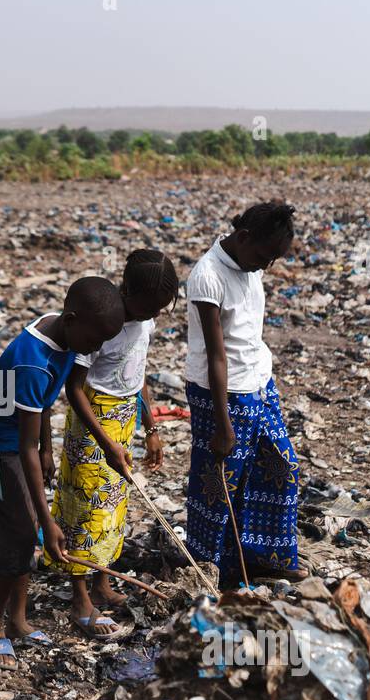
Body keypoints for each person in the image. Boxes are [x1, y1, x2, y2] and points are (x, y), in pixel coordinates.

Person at [0, 276, 125, 668]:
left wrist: (49, 447)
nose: (97, 349)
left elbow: (44, 406)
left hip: (21, 439)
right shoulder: (32, 363)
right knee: (20, 535)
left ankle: (18, 621)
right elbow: (22, 447)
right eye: (96, 339)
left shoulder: (62, 330)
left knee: (24, 535)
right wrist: (46, 518)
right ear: (73, 319)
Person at [44, 250, 178, 626]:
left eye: (160, 308)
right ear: (127, 289)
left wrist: (150, 428)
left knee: (113, 508)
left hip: (124, 420)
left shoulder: (144, 324)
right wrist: (105, 442)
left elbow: (139, 377)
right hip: (93, 423)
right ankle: (80, 596)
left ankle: (102, 582)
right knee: (85, 509)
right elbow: (74, 388)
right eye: (148, 305)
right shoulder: (102, 324)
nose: (152, 314)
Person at [184, 202, 306, 593]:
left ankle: (264, 558)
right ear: (243, 237)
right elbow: (217, 354)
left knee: (280, 465)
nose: (266, 266)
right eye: (264, 256)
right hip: (222, 392)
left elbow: (248, 333)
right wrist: (223, 424)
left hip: (257, 382)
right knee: (219, 484)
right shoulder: (208, 277)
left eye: (274, 260)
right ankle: (211, 570)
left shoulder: (249, 264)